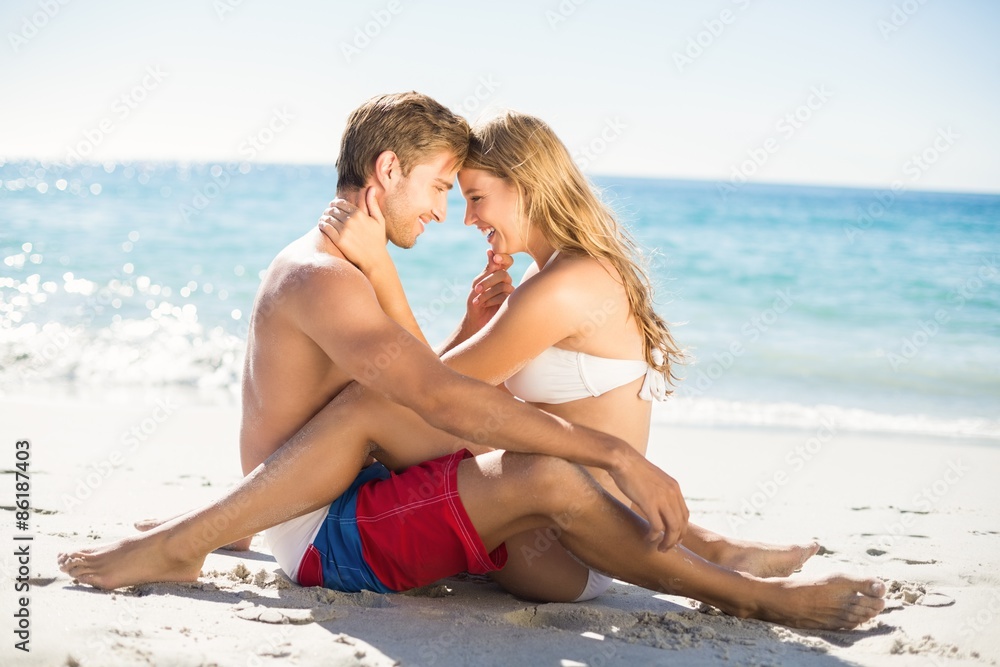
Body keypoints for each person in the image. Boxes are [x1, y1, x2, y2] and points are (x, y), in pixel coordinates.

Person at [57, 106, 886, 631]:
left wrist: (407, 286)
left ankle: (196, 533)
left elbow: (430, 388)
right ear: (388, 174)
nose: (455, 211)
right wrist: (612, 453)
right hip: (440, 531)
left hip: (538, 527)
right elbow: (438, 391)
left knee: (382, 409)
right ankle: (197, 534)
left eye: (471, 192)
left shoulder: (545, 284)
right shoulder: (330, 276)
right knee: (415, 416)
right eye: (445, 187)